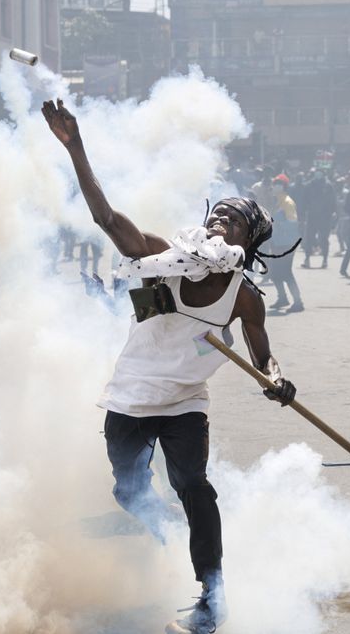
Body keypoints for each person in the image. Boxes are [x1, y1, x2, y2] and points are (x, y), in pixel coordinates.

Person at [43, 99, 297, 634]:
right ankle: (160, 535)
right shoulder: (159, 257)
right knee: (129, 490)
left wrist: (275, 379)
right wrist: (75, 147)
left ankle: (213, 594)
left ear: (247, 243)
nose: (222, 219)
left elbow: (261, 353)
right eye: (218, 212)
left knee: (195, 488)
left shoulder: (243, 295)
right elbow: (106, 219)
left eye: (236, 219)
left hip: (185, 404)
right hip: (130, 398)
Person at [262, 174, 305, 312]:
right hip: (277, 242)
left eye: (278, 184)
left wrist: (277, 223)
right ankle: (282, 298)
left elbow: (293, 223)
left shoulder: (287, 202)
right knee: (274, 273)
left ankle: (298, 302)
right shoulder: (278, 202)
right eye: (275, 184)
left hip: (287, 244)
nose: (274, 186)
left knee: (286, 273)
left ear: (283, 187)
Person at [300, 169, 336, 269]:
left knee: (324, 239)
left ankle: (325, 260)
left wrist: (333, 214)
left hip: (325, 217)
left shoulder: (328, 186)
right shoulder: (309, 185)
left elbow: (333, 201)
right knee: (309, 238)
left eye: (320, 173)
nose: (318, 174)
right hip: (312, 216)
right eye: (317, 172)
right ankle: (307, 259)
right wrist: (302, 213)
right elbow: (304, 200)